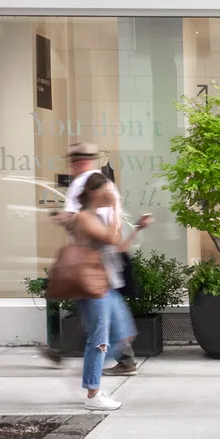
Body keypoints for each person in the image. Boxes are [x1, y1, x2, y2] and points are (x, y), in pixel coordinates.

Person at [55, 142, 139, 376]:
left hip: (99, 271)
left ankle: (94, 371)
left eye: (73, 161)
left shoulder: (90, 184)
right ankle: (92, 383)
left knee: (111, 331)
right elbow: (106, 233)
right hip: (96, 273)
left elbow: (111, 237)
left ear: (79, 162)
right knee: (104, 332)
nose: (72, 166)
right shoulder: (98, 187)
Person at [71, 173, 151, 410]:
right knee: (100, 340)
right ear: (95, 193)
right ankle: (93, 392)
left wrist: (136, 228)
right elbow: (113, 238)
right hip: (93, 288)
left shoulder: (96, 217)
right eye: (107, 191)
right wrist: (116, 206)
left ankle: (89, 370)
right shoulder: (84, 218)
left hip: (109, 286)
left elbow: (117, 248)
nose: (112, 195)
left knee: (124, 334)